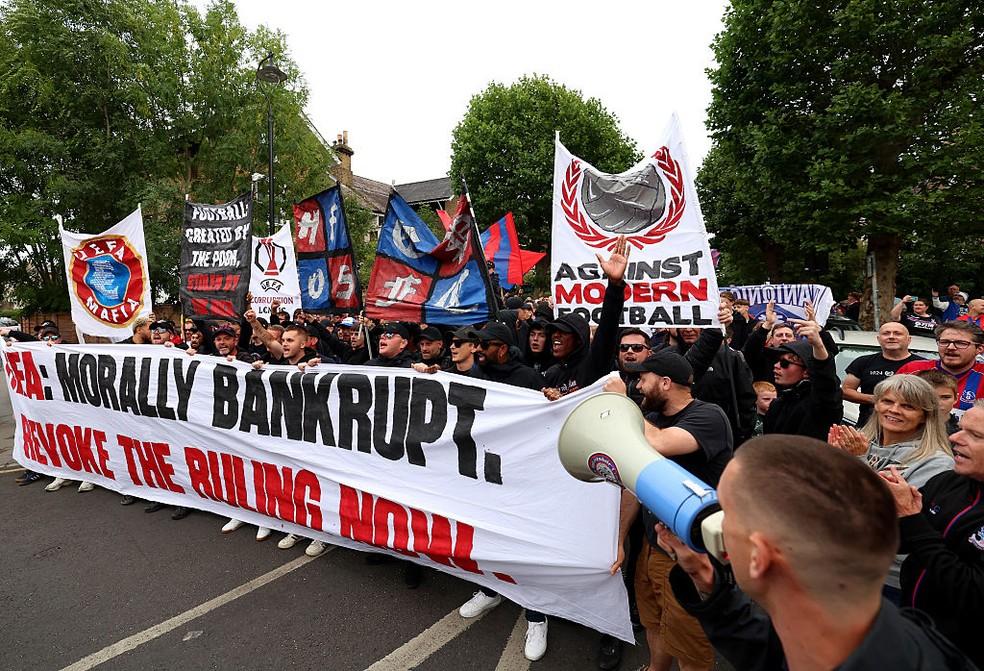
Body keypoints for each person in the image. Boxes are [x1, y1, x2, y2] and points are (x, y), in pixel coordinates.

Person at [657, 435, 975, 671]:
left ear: (760, 557)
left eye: (729, 514)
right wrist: (705, 578)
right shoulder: (901, 638)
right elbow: (772, 655)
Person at [605, 351, 733, 671]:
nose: (636, 386)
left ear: (665, 383)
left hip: (690, 554)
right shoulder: (655, 421)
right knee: (655, 621)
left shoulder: (708, 416)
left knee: (689, 641)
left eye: (642, 380)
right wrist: (620, 541)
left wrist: (623, 406)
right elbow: (636, 487)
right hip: (653, 545)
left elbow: (659, 444)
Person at [458, 320, 549, 661]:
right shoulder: (477, 374)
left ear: (502, 347)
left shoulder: (527, 378)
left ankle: (537, 616)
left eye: (485, 344)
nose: (478, 349)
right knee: (486, 539)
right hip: (483, 472)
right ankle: (489, 590)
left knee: (523, 547)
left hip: (521, 476)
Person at [828, 374, 956, 601]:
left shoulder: (937, 461)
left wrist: (857, 462)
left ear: (925, 416)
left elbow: (886, 516)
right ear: (876, 405)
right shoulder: (860, 442)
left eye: (907, 406)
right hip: (842, 562)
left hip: (887, 579)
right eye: (887, 401)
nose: (894, 410)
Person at [881, 400, 984, 669]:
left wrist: (912, 519)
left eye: (974, 435)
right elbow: (905, 544)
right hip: (912, 626)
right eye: (961, 429)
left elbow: (971, 592)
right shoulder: (950, 480)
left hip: (961, 655)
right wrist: (886, 504)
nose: (954, 437)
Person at [542, 236, 628, 398]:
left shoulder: (595, 362)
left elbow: (607, 328)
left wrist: (614, 286)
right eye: (553, 332)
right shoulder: (552, 374)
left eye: (563, 332)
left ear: (579, 339)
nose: (555, 336)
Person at [763, 317, 843, 440]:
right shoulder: (777, 404)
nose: (776, 366)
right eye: (777, 361)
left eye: (785, 363)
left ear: (806, 372)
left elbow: (825, 380)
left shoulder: (820, 402)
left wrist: (818, 344)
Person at [842, 321, 923, 427]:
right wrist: (875, 399)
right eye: (886, 333)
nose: (891, 337)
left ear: (909, 339)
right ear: (879, 339)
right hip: (868, 427)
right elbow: (845, 391)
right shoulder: (863, 362)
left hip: (911, 429)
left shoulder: (923, 365)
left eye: (897, 333)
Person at [896, 321, 984, 415]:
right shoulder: (912, 370)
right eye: (944, 342)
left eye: (961, 343)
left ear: (979, 349)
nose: (950, 347)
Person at [914, 369, 960, 434]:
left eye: (945, 397)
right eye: (930, 397)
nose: (938, 403)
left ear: (956, 398)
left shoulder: (961, 433)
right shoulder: (903, 427)